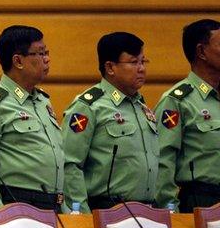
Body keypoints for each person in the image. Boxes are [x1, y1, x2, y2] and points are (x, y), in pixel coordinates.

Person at [0, 25, 66, 211]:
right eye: (41, 53)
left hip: (54, 203)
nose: (47, 59)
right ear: (18, 61)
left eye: (47, 52)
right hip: (18, 203)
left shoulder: (43, 101)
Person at [62, 32, 158, 212]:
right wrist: (82, 214)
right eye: (133, 62)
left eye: (143, 61)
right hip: (108, 209)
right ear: (110, 67)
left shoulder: (142, 107)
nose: (141, 68)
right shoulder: (89, 106)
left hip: (149, 210)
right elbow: (70, 164)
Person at [155, 19, 220, 211]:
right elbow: (163, 160)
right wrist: (170, 211)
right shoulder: (178, 100)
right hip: (202, 201)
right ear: (201, 52)